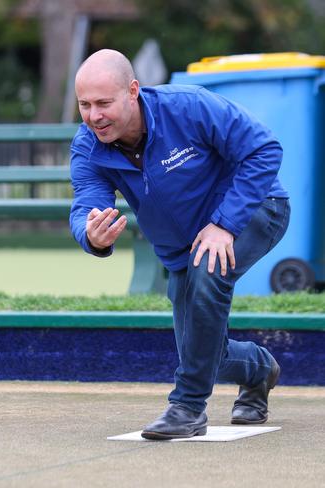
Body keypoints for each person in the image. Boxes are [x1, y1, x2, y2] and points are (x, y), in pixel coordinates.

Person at [69, 49, 290, 440]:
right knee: (205, 354)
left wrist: (224, 224)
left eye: (104, 103)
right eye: (84, 105)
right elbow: (87, 200)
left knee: (210, 269)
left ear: (133, 91)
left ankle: (187, 407)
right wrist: (90, 234)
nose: (94, 116)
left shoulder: (188, 106)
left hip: (254, 209)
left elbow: (263, 149)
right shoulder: (88, 146)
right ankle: (259, 371)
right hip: (181, 248)